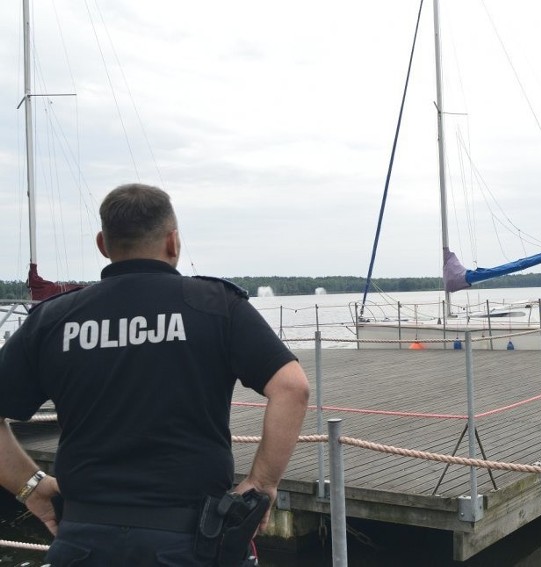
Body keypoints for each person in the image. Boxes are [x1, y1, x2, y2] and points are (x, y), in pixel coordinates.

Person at [0, 183, 310, 565]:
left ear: (103, 244)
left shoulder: (53, 319)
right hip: (192, 541)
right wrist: (262, 483)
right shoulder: (215, 305)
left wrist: (31, 487)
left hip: (83, 540)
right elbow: (292, 388)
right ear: (173, 242)